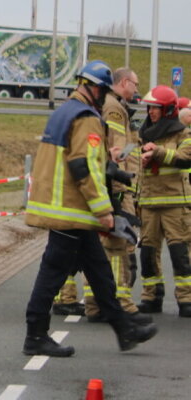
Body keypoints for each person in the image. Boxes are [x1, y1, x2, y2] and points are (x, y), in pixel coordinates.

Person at [23, 60, 156, 357]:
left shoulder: (66, 111)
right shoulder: (86, 117)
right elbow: (83, 167)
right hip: (71, 210)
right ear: (95, 88)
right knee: (53, 274)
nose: (103, 97)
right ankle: (35, 335)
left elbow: (80, 158)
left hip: (67, 209)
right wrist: (104, 212)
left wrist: (106, 162)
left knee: (99, 272)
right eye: (103, 91)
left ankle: (124, 329)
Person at [82, 67, 152, 324]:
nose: (136, 89)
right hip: (117, 189)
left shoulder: (114, 106)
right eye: (135, 84)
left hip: (113, 187)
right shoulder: (114, 109)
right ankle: (121, 304)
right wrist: (121, 189)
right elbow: (117, 151)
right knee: (117, 246)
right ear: (124, 83)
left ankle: (96, 304)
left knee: (102, 248)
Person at [137, 85, 191, 317]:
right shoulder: (142, 133)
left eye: (156, 108)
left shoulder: (183, 134)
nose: (151, 112)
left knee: (180, 254)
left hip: (174, 204)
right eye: (150, 108)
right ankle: (151, 297)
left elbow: (186, 159)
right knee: (148, 253)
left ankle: (186, 299)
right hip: (149, 203)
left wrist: (157, 152)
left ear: (168, 110)